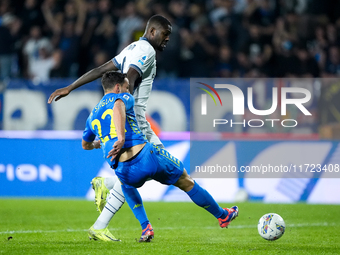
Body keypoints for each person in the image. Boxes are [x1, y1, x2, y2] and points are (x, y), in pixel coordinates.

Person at [82, 71, 239, 242]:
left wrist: (99, 143)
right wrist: (121, 138)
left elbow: (85, 145)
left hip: (123, 169)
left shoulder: (91, 118)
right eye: (126, 87)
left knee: (125, 184)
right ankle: (222, 216)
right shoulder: (122, 98)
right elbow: (118, 106)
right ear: (118, 87)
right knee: (186, 181)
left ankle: (145, 227)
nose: (128, 91)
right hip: (146, 157)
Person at [48, 15, 172, 222]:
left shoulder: (131, 48)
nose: (167, 39)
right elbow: (129, 80)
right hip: (137, 123)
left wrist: (70, 87)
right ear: (152, 32)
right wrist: (124, 113)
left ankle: (104, 197)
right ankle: (221, 214)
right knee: (166, 168)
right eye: (165, 34)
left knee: (145, 173)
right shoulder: (147, 50)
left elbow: (100, 70)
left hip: (130, 120)